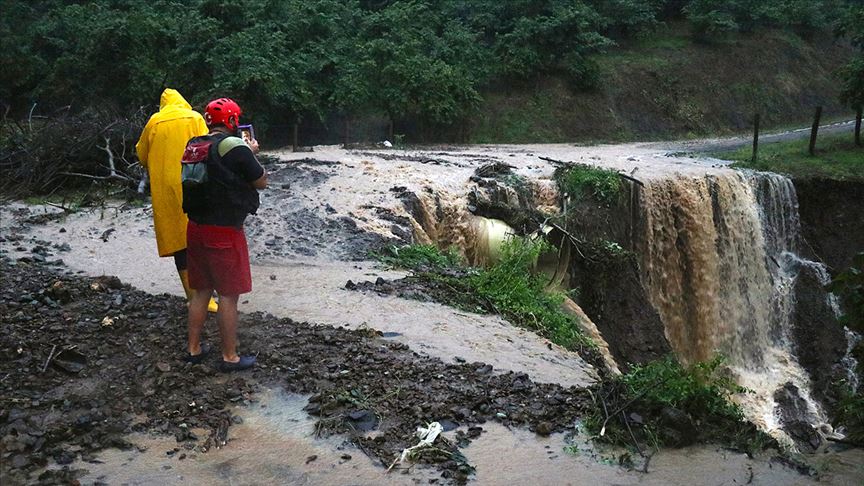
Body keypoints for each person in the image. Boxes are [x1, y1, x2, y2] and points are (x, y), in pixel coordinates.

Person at [182, 97, 267, 371]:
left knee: (200, 292)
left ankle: (193, 349)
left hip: (195, 228)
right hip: (225, 232)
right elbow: (261, 181)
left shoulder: (194, 144)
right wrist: (252, 152)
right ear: (232, 122)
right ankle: (230, 356)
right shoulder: (236, 146)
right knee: (229, 296)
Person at [136, 88, 218, 313]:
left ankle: (194, 298)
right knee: (201, 239)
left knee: (179, 244)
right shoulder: (194, 118)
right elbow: (210, 146)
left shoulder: (154, 122)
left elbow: (142, 155)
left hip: (166, 192)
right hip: (195, 184)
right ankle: (210, 296)